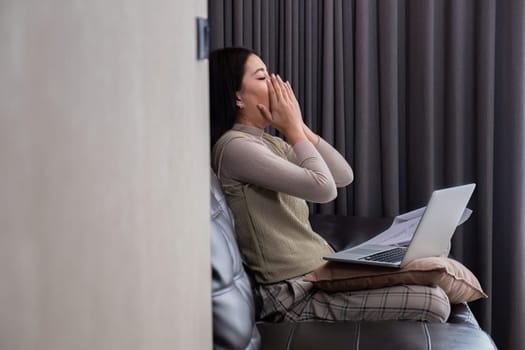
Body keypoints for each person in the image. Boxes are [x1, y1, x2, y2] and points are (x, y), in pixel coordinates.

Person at [209, 47, 451, 323]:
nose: (277, 87)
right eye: (263, 78)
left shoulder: (267, 143)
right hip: (291, 295)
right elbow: (324, 189)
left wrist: (300, 128)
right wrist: (292, 130)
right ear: (238, 96)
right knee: (434, 302)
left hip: (320, 274)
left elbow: (342, 175)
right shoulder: (236, 149)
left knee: (429, 268)